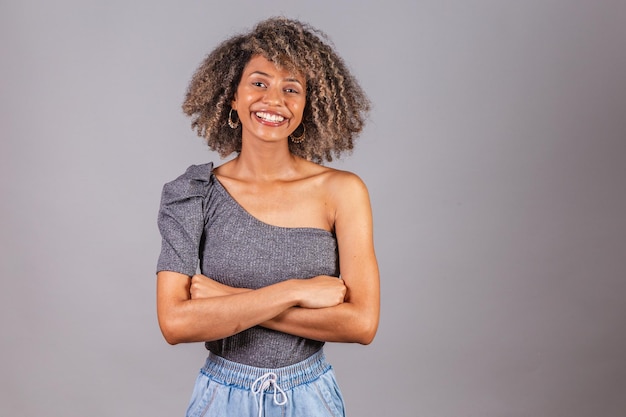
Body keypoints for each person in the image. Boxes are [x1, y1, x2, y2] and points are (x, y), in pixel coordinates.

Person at [156, 17, 379, 417]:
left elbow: (361, 324)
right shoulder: (192, 194)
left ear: (307, 104)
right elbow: (175, 323)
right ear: (232, 97)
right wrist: (294, 290)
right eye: (259, 83)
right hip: (221, 399)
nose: (274, 100)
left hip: (310, 398)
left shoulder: (342, 191)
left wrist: (228, 301)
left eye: (291, 89)